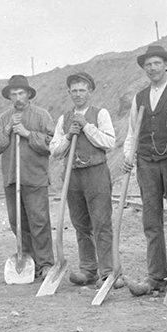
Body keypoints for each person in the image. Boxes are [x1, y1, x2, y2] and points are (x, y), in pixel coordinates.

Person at [122, 44, 167, 296]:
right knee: (151, 221)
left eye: (156, 63)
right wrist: (128, 155)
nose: (152, 68)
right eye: (148, 65)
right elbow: (133, 130)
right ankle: (156, 277)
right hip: (146, 163)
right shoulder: (139, 97)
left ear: (166, 65)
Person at [48, 72, 121, 289]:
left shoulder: (100, 114)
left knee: (101, 222)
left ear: (90, 92)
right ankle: (88, 269)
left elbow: (109, 142)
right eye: (74, 90)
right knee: (81, 224)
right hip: (73, 175)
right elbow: (54, 151)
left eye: (82, 90)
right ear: (69, 93)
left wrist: (86, 126)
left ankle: (108, 271)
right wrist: (69, 135)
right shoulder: (64, 119)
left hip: (96, 172)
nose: (78, 94)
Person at [0, 73, 55, 278]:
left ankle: (46, 264)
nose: (18, 97)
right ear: (9, 96)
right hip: (11, 178)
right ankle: (28, 262)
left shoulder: (42, 115)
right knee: (17, 222)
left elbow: (53, 143)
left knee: (39, 221)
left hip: (35, 177)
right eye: (13, 94)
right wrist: (7, 131)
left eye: (21, 93)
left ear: (28, 94)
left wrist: (27, 134)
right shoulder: (3, 118)